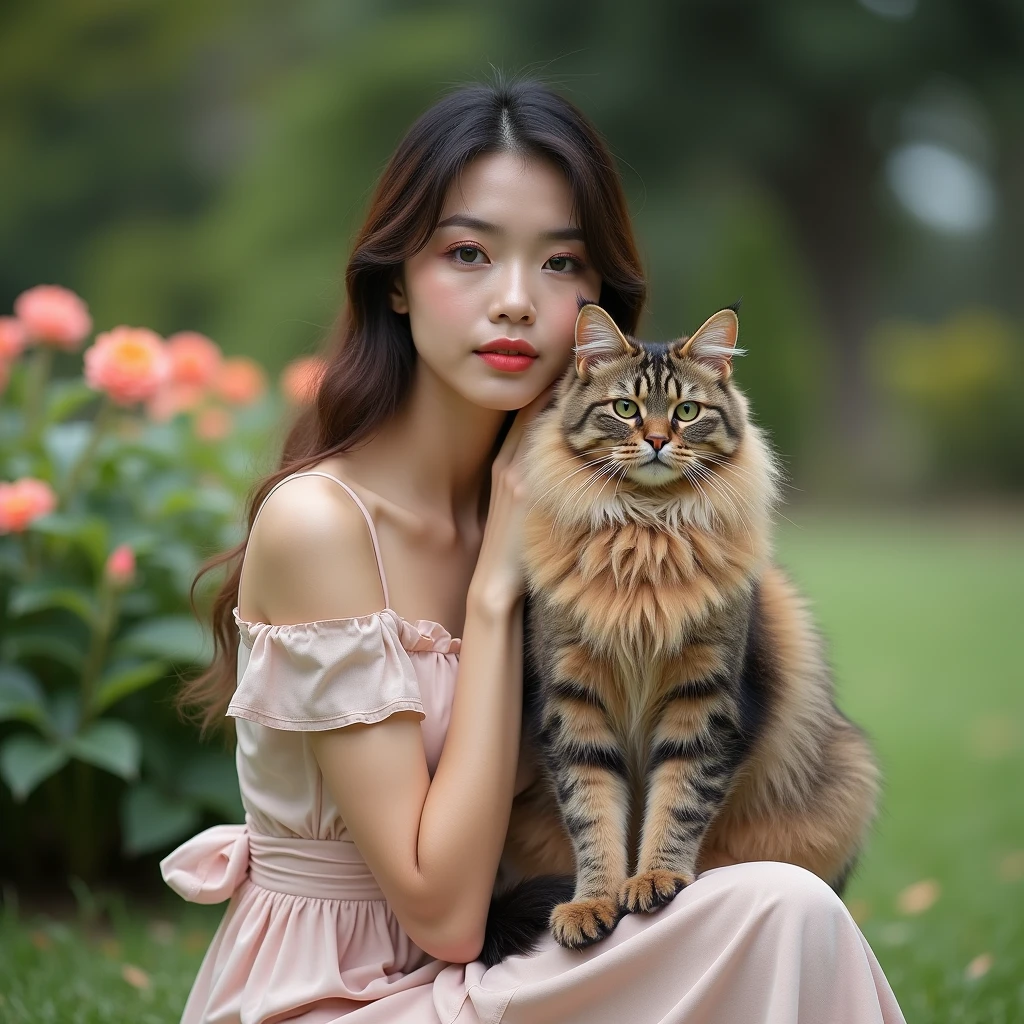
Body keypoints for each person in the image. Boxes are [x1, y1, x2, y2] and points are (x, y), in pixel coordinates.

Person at [162, 79, 907, 1024]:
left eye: (561, 264)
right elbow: (441, 915)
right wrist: (492, 593)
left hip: (514, 963)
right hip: (341, 997)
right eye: (468, 254)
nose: (515, 301)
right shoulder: (322, 525)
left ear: (599, 303)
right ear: (395, 278)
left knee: (784, 905)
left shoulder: (580, 519)